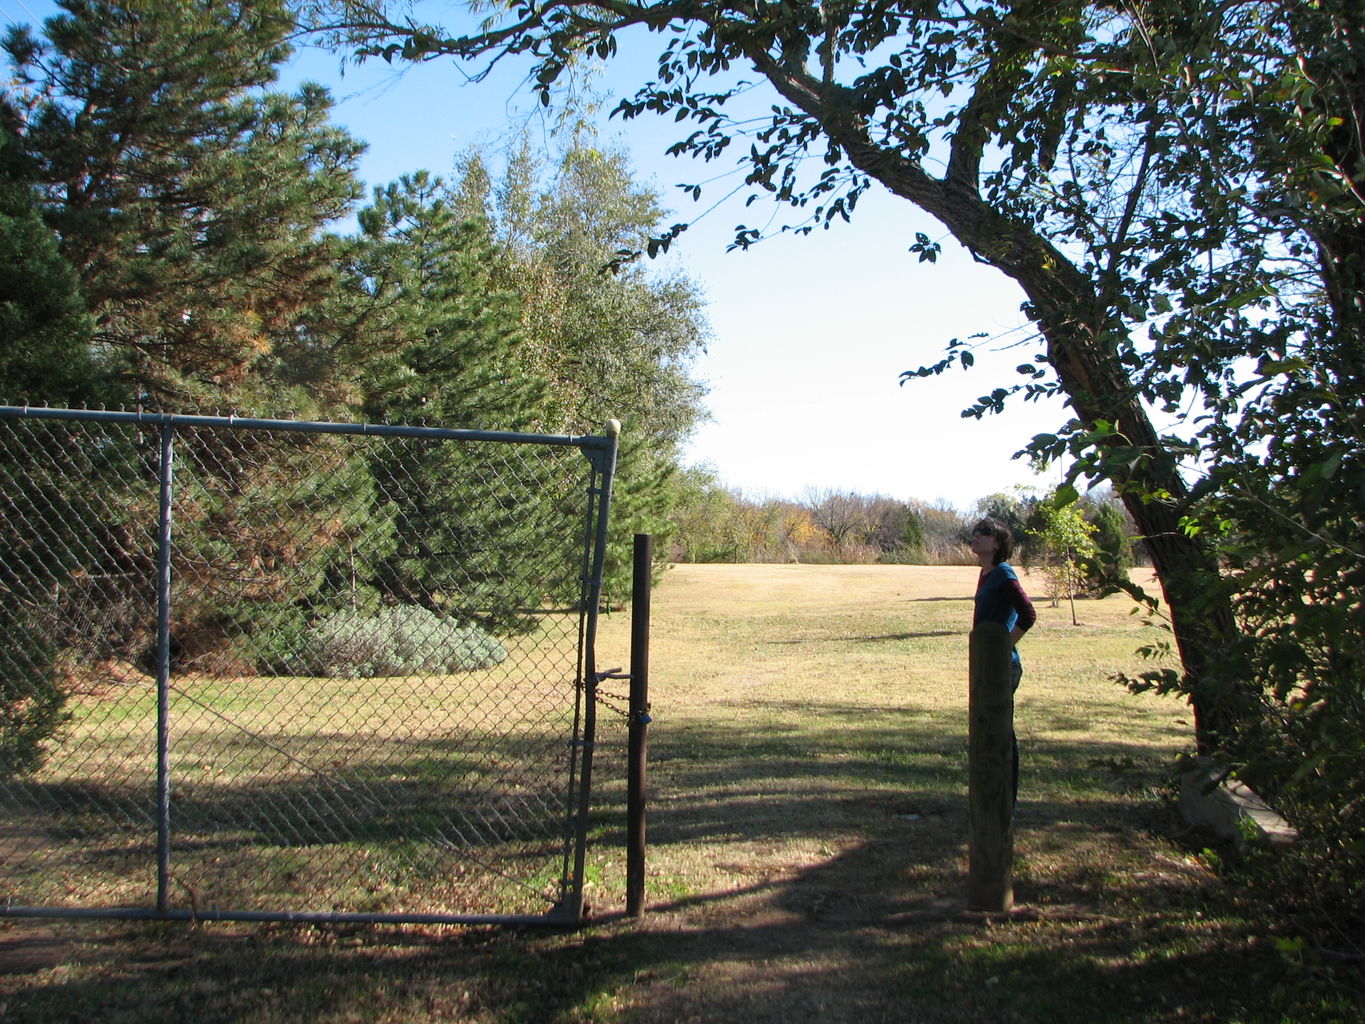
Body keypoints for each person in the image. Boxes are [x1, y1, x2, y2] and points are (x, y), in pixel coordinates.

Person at [969, 518, 1036, 804]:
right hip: (986, 662)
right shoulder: (987, 574)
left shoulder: (1004, 574)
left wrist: (1004, 645)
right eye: (975, 533)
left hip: (1002, 664)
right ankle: (993, 792)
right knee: (988, 725)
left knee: (1000, 729)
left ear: (998, 543)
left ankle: (1006, 797)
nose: (976, 537)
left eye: (984, 534)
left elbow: (1028, 614)